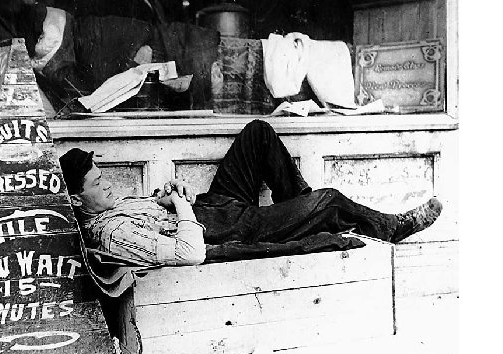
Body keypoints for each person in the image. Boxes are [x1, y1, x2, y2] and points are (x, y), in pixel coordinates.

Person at [59, 120, 442, 267]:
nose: (108, 184)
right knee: (331, 199)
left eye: (102, 175)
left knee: (257, 132)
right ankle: (388, 226)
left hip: (212, 206)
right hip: (226, 229)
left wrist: (167, 197)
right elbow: (189, 252)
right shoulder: (112, 233)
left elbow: (159, 210)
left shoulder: (112, 206)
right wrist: (180, 208)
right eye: (97, 183)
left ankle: (298, 212)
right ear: (77, 201)